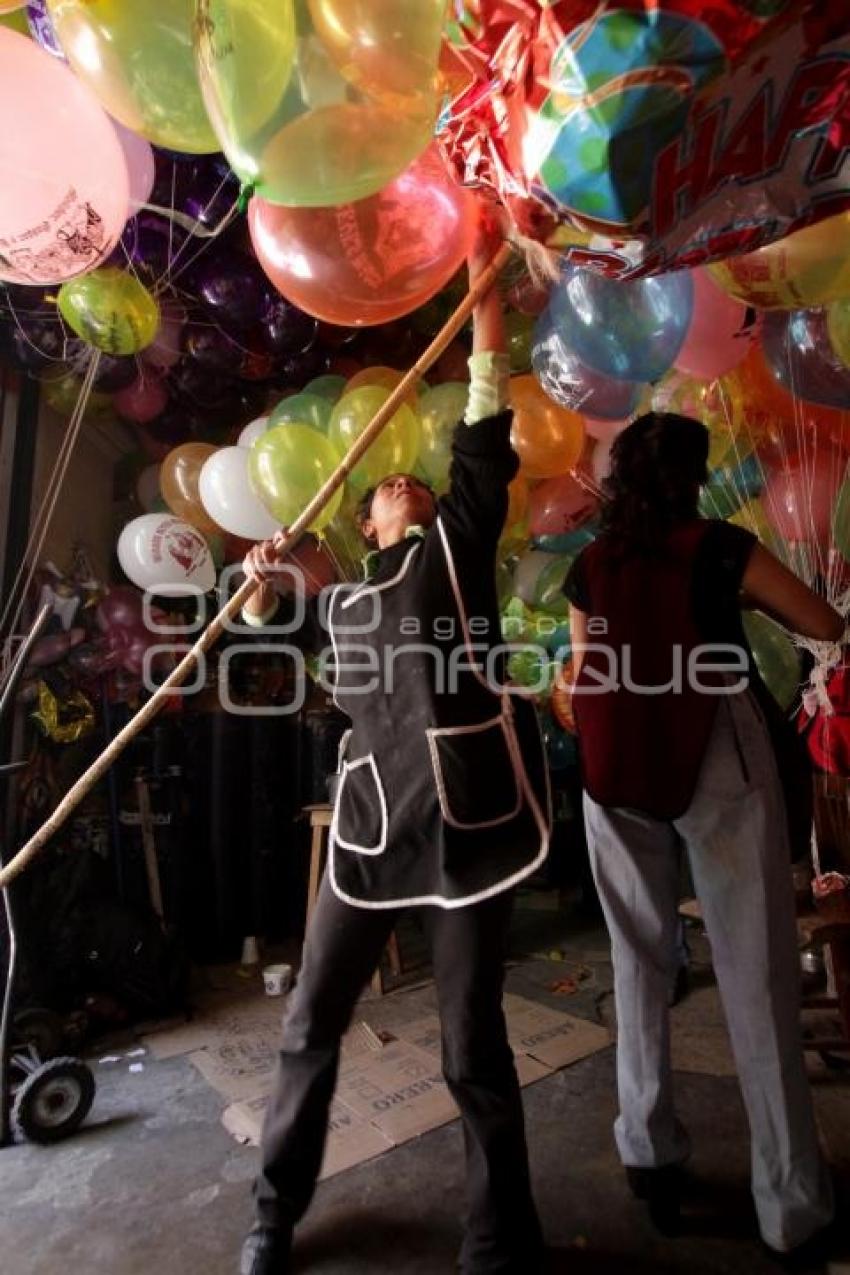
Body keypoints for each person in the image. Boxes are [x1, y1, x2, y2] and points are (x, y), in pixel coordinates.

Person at [238, 213, 551, 1275]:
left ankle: (500, 1240)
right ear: (362, 526)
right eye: (379, 492)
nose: (396, 486)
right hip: (371, 829)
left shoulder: (457, 547)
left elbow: (481, 408)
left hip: (471, 827)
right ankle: (272, 1216)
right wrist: (271, 573)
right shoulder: (342, 589)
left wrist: (482, 276)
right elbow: (299, 613)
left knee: (472, 1049)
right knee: (308, 1025)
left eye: (406, 484)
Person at [564, 411, 840, 1256]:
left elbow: (581, 675)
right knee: (755, 973)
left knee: (638, 959)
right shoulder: (720, 546)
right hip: (714, 746)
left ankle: (648, 1152)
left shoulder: (588, 563)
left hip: (614, 765)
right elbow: (823, 622)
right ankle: (788, 1201)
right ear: (692, 474)